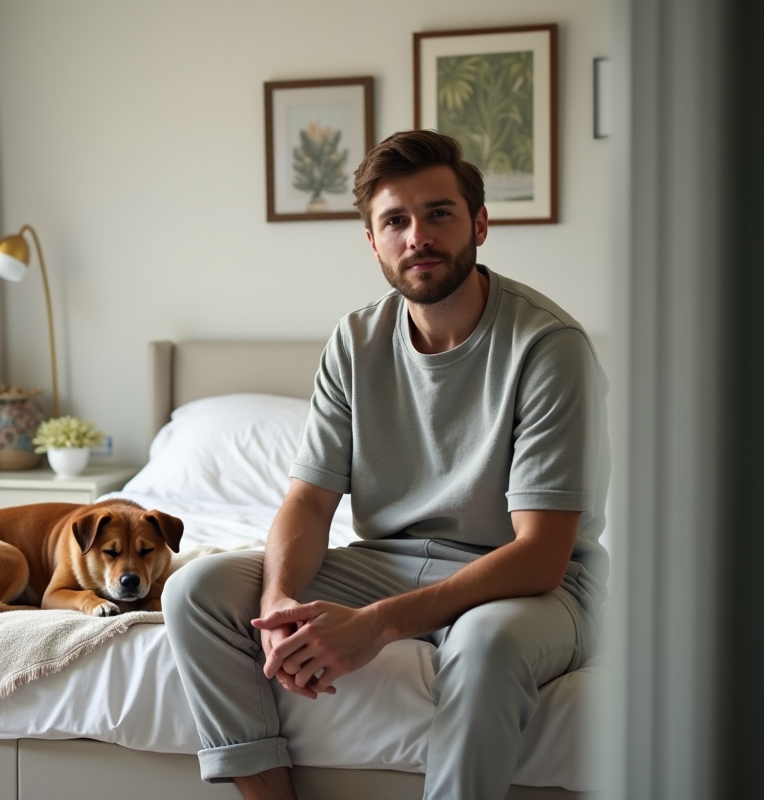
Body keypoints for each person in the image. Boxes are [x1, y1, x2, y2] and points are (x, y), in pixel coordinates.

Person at [161, 129, 609, 800]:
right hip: (389, 559)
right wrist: (280, 598)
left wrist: (374, 625)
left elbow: (542, 553)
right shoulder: (354, 341)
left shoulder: (548, 346)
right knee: (194, 591)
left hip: (535, 584)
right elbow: (309, 504)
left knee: (485, 645)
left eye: (439, 213)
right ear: (373, 241)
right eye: (394, 220)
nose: (417, 235)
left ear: (479, 224)